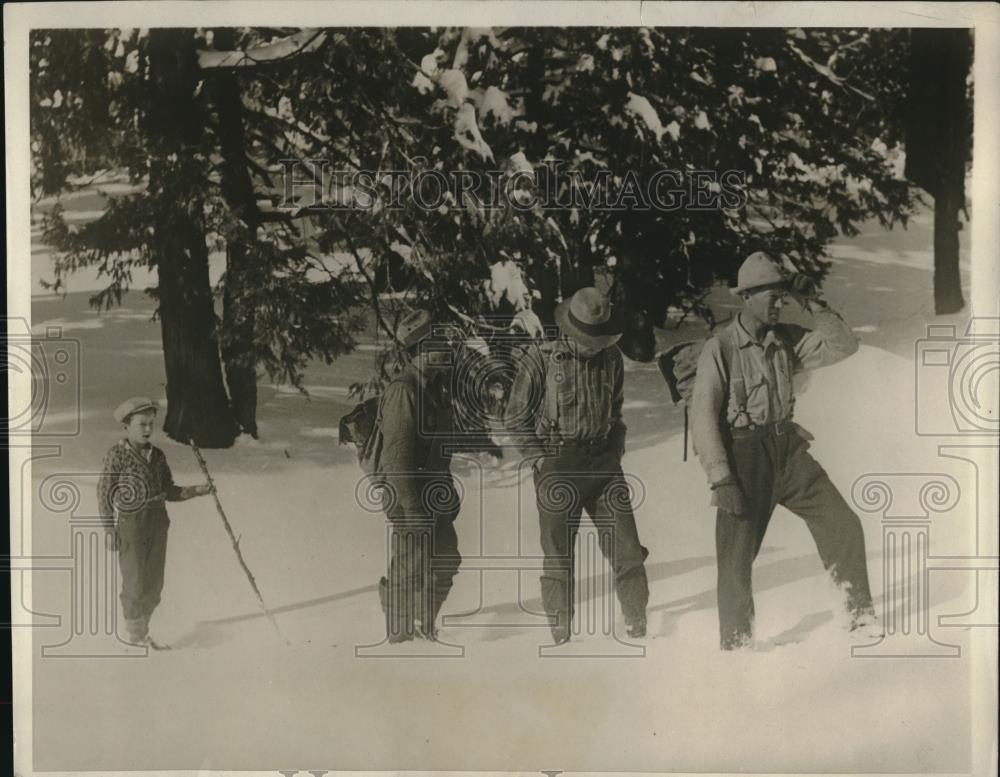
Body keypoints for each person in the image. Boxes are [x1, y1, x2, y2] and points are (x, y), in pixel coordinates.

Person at [690, 251, 879, 650]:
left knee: (841, 522)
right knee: (736, 557)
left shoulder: (787, 339)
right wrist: (721, 478)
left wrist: (814, 303)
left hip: (788, 450)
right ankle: (737, 645)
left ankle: (858, 613)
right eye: (770, 297)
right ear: (747, 298)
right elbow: (704, 417)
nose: (778, 304)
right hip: (743, 457)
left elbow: (844, 345)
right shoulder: (721, 348)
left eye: (782, 297)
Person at [505, 288, 650, 644]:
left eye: (601, 338)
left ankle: (638, 624)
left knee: (627, 549)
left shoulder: (611, 357)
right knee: (558, 556)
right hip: (558, 465)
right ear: (570, 330)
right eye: (589, 338)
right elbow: (514, 417)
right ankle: (560, 633)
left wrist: (615, 449)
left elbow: (615, 411)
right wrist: (540, 460)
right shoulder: (540, 361)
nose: (595, 345)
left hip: (603, 466)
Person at [98, 398, 213, 648]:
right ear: (126, 426)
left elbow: (169, 491)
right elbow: (105, 492)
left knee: (154, 583)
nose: (147, 429)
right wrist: (109, 529)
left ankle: (142, 632)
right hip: (131, 524)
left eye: (151, 423)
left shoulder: (158, 456)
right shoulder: (117, 455)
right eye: (141, 424)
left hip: (157, 522)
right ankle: (136, 636)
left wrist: (198, 490)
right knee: (134, 581)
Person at [377, 310, 462, 643]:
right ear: (419, 351)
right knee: (410, 564)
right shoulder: (404, 391)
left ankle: (423, 623)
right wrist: (412, 508)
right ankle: (399, 636)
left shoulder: (435, 388)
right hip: (409, 492)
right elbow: (396, 457)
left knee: (446, 558)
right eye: (436, 344)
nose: (444, 349)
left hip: (433, 491)